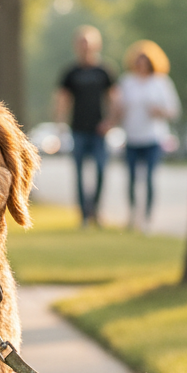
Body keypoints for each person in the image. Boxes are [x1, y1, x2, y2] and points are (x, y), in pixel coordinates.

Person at [113, 40, 181, 231]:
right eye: (138, 61)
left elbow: (174, 111)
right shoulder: (127, 82)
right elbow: (118, 108)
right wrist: (115, 115)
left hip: (153, 138)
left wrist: (159, 111)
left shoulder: (161, 82)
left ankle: (147, 218)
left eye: (145, 61)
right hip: (132, 137)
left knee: (150, 178)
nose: (141, 64)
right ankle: (132, 215)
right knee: (132, 179)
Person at [55, 25, 116, 226]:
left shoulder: (104, 70)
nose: (85, 47)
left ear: (96, 45)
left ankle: (95, 210)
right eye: (81, 43)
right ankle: (83, 215)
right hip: (78, 130)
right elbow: (62, 99)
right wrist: (60, 123)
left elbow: (113, 99)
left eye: (88, 43)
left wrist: (110, 121)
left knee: (100, 170)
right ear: (76, 46)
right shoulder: (71, 72)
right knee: (79, 174)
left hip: (99, 131)